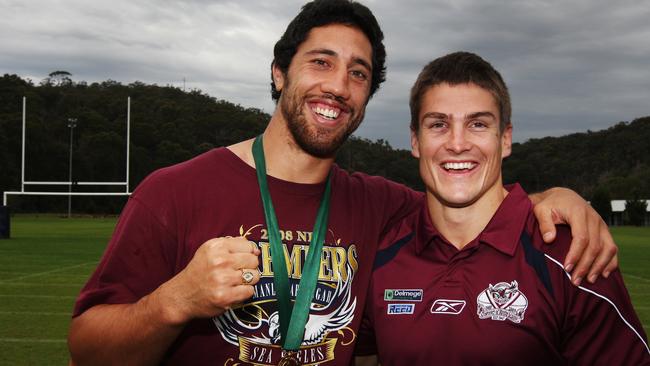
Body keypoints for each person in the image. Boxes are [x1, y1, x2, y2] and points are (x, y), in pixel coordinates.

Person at [67, 2, 618, 365]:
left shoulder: (382, 206)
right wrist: (174, 301)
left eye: (358, 73)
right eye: (321, 62)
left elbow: (468, 197)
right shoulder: (173, 192)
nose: (338, 85)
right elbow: (86, 349)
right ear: (280, 72)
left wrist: (557, 199)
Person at [355, 51, 649, 365]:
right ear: (415, 141)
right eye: (438, 124)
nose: (457, 143)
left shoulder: (574, 254)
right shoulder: (383, 255)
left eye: (478, 124)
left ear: (505, 139)